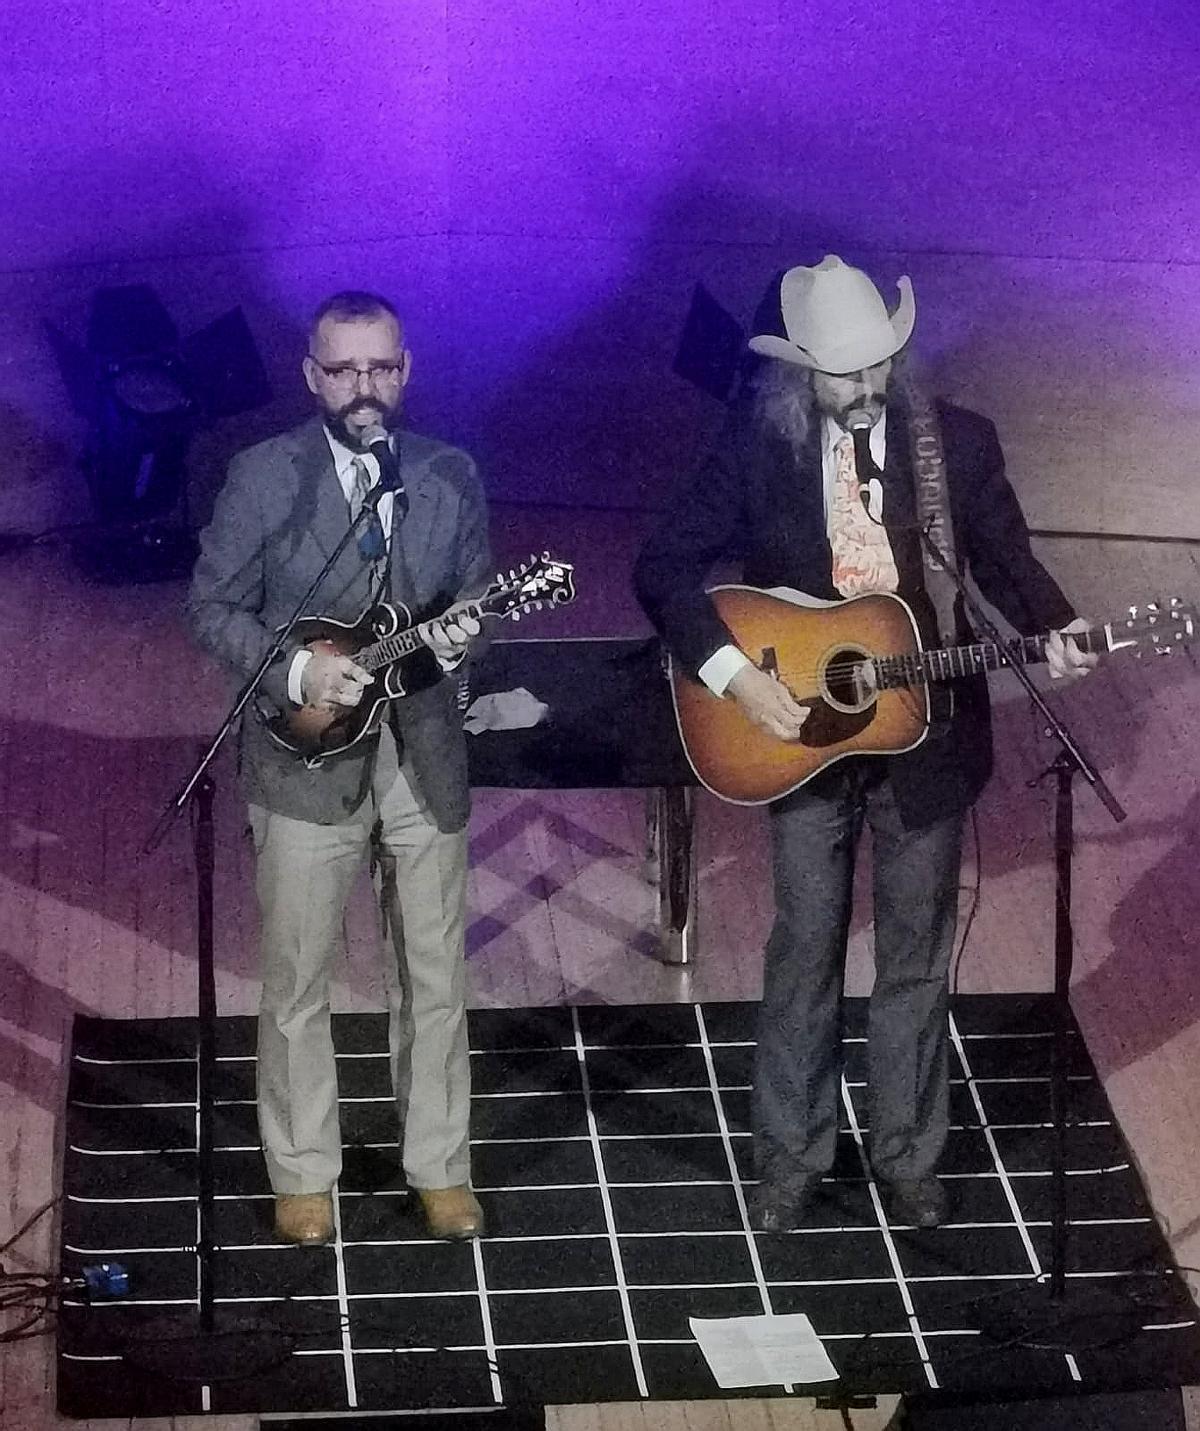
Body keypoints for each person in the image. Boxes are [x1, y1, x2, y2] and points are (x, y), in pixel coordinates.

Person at [635, 256, 1095, 1232]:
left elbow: (1012, 565)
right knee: (804, 949)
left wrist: (1055, 627)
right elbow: (665, 566)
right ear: (800, 371)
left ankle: (908, 1158)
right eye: (841, 372)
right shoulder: (757, 446)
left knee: (916, 960)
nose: (862, 387)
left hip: (923, 739)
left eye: (877, 365)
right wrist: (737, 679)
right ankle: (791, 1160)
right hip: (797, 736)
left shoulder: (957, 447)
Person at [189, 290, 491, 1245]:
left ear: (408, 369)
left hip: (422, 756)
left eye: (382, 368)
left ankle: (439, 1165)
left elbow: (470, 597)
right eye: (344, 370)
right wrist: (297, 666)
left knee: (436, 974)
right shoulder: (263, 476)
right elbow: (211, 606)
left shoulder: (448, 473)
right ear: (311, 375)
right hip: (305, 755)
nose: (365, 388)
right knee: (296, 980)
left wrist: (459, 640)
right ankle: (304, 1173)